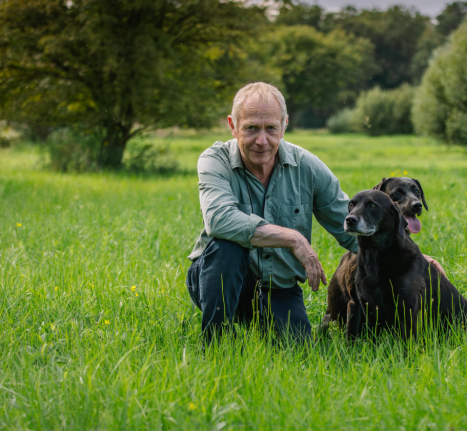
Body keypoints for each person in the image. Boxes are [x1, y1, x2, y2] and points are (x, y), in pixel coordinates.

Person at [186, 82, 442, 343]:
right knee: (227, 247)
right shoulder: (215, 160)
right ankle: (216, 343)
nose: (262, 140)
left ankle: (264, 323)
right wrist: (293, 238)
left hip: (278, 287)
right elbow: (219, 219)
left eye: (271, 128)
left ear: (284, 125)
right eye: (251, 128)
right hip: (218, 279)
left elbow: (349, 224)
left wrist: (412, 257)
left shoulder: (307, 166)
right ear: (233, 125)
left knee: (298, 347)